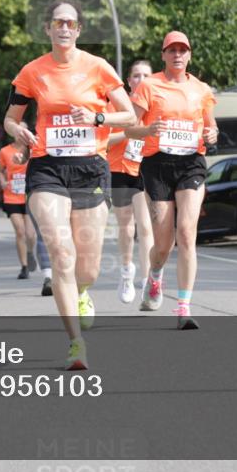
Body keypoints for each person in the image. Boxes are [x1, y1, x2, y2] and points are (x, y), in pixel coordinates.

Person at [4, 0, 135, 370]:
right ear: (47, 28)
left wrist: (96, 116)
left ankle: (82, 292)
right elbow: (11, 119)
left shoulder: (98, 67)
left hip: (90, 168)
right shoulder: (32, 72)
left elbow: (128, 115)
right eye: (57, 22)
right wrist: (20, 132)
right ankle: (76, 343)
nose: (64, 28)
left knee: (87, 267)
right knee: (61, 253)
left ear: (78, 30)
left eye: (70, 23)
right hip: (46, 167)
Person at [128, 31, 218, 330]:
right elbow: (130, 128)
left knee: (187, 231)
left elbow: (211, 126)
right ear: (163, 55)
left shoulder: (202, 89)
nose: (178, 54)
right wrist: (149, 129)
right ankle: (155, 276)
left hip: (191, 163)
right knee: (163, 242)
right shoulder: (149, 86)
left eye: (183, 50)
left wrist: (212, 134)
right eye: (172, 50)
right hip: (157, 165)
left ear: (189, 55)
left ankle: (183, 307)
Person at [107, 60, 155, 303]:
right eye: (136, 75)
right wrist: (127, 132)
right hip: (119, 169)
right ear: (128, 80)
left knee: (146, 226)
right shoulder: (116, 104)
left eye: (146, 75)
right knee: (126, 226)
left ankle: (147, 280)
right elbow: (101, 141)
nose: (141, 79)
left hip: (145, 168)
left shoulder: (157, 102)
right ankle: (127, 272)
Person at [0, 139, 36, 279]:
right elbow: (0, 169)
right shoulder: (5, 151)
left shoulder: (34, 149)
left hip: (29, 196)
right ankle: (24, 267)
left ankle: (30, 252)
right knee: (20, 231)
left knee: (30, 234)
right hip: (12, 196)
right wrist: (2, 181)